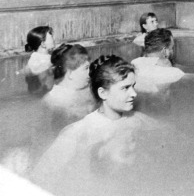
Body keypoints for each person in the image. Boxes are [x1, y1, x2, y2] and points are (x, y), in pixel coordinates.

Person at [31, 55, 156, 195]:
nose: (134, 93)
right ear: (103, 93)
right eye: (125, 88)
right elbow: (41, 177)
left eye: (133, 86)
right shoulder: (78, 132)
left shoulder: (139, 120)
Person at [43, 44, 96, 132]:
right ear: (70, 73)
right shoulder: (53, 99)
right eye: (86, 68)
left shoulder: (86, 90)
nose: (90, 73)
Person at [131, 28, 185, 94]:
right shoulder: (173, 73)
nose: (172, 51)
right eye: (171, 48)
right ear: (164, 51)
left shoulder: (135, 63)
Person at [24, 26, 55, 94]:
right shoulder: (47, 60)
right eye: (51, 37)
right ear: (43, 44)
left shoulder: (34, 56)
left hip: (35, 92)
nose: (54, 39)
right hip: (45, 93)